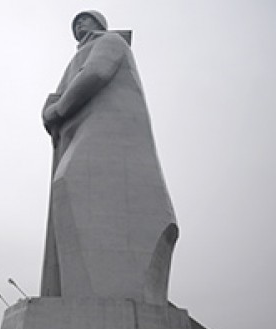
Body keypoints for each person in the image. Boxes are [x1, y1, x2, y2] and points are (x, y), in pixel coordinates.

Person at [40, 11, 178, 304]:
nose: (79, 26)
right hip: (80, 130)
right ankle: (72, 294)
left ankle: (102, 294)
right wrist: (50, 109)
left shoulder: (112, 42)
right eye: (75, 23)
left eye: (85, 20)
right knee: (66, 187)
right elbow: (62, 91)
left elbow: (96, 74)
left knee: (71, 180)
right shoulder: (74, 60)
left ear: (100, 24)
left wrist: (57, 109)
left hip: (109, 131)